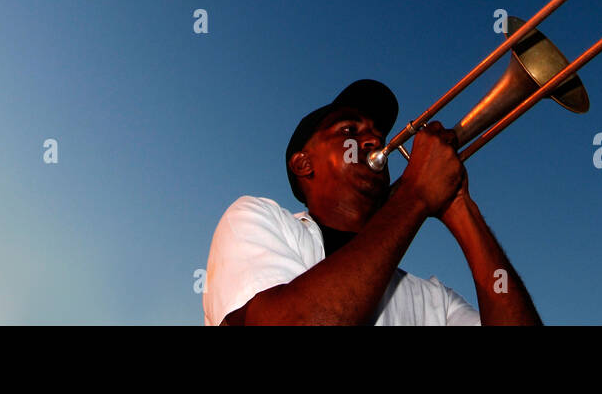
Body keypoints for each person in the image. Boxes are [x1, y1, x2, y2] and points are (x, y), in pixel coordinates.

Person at [204, 79, 543, 325]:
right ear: (303, 163)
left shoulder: (433, 301)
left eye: (377, 134)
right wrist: (416, 194)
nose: (373, 139)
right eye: (349, 130)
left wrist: (459, 207)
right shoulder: (255, 218)